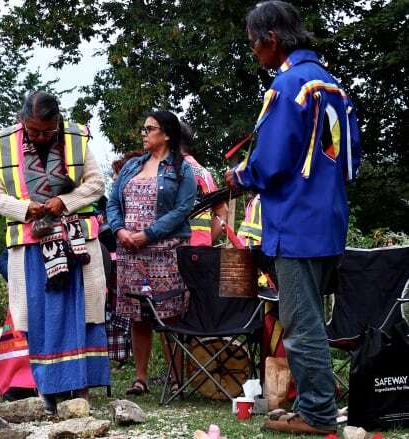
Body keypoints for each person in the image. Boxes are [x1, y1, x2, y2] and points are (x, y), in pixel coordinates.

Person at [225, 1, 361, 434]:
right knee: (310, 320)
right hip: (327, 219)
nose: (253, 53)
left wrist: (240, 174)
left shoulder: (288, 86)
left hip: (296, 222)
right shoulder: (334, 86)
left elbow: (271, 160)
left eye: (253, 44)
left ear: (272, 39)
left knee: (301, 327)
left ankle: (318, 415)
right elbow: (351, 162)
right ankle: (309, 404)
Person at [0, 91, 109, 414]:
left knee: (79, 313)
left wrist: (64, 201)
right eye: (34, 130)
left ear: (58, 121)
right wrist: (26, 208)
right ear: (22, 121)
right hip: (30, 245)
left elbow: (96, 184)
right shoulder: (4, 144)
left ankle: (81, 388)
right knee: (40, 318)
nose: (40, 136)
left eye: (47, 130)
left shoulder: (77, 138)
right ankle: (47, 389)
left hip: (75, 244)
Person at [107, 110, 196, 396]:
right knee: (138, 315)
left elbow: (183, 210)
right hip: (130, 252)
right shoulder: (132, 166)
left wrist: (148, 234)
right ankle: (140, 378)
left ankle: (175, 377)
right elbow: (112, 203)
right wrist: (120, 231)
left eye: (150, 129)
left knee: (170, 315)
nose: (144, 134)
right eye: (144, 129)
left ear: (167, 134)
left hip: (166, 252)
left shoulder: (182, 170)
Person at [180, 122, 228, 246]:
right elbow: (223, 212)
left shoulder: (168, 170)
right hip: (199, 255)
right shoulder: (204, 173)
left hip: (173, 253)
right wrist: (205, 243)